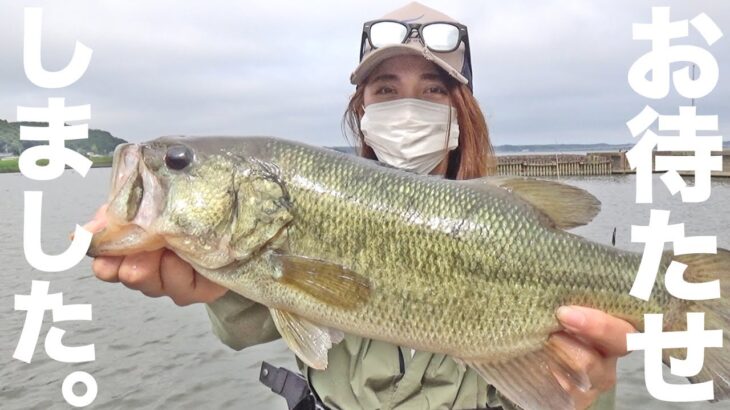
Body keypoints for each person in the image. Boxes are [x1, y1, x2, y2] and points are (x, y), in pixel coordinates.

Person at [87, 2, 636, 409]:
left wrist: (586, 389)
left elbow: (570, 383)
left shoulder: (504, 213)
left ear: (462, 112)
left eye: (435, 90)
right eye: (386, 90)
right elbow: (245, 324)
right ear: (361, 110)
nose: (409, 107)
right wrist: (199, 271)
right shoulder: (293, 224)